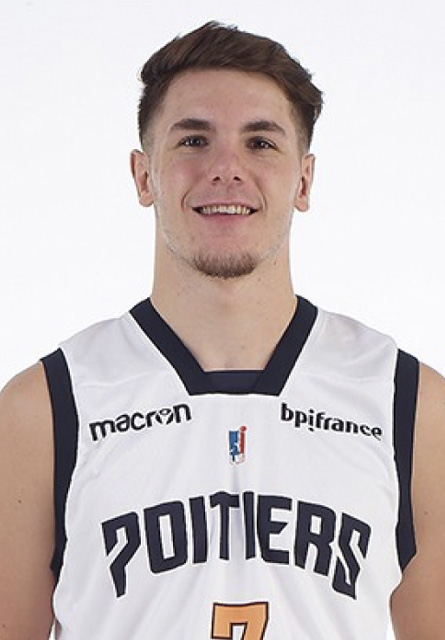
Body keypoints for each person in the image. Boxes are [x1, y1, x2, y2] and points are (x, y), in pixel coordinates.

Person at [0, 21, 444, 640]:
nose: (227, 169)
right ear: (144, 176)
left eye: (260, 143)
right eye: (193, 140)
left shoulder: (411, 405)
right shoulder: (44, 409)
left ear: (304, 180)